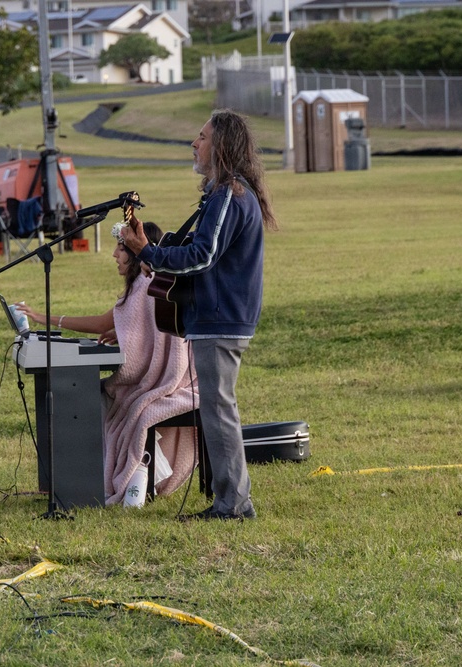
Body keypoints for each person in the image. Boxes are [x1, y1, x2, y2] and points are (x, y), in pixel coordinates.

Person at [120, 109, 278, 522]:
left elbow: (202, 257)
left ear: (221, 145)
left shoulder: (229, 193)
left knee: (219, 410)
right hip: (217, 317)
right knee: (217, 408)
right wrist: (155, 254)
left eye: (202, 136)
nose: (195, 142)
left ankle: (233, 505)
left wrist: (147, 252)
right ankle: (232, 501)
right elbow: (197, 252)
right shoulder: (223, 193)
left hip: (221, 318)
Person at [17, 222, 199, 505]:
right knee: (99, 393)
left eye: (120, 248)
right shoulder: (145, 282)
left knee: (99, 394)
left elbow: (104, 322)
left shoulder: (145, 284)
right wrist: (123, 333)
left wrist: (43, 318)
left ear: (137, 251)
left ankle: (103, 476)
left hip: (169, 381)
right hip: (172, 375)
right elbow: (143, 329)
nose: (115, 254)